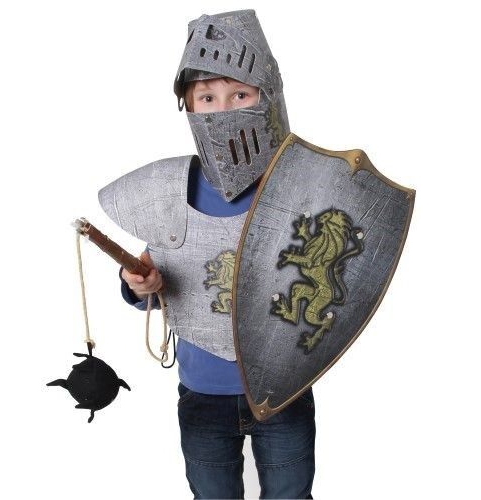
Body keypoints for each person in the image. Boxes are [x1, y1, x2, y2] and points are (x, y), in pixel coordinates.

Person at [100, 10, 315, 499]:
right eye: (207, 97)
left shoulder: (299, 189)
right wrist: (140, 283)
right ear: (189, 105)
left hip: (284, 389)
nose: (223, 111)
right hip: (203, 392)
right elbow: (150, 280)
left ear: (267, 96)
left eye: (240, 95)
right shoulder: (169, 190)